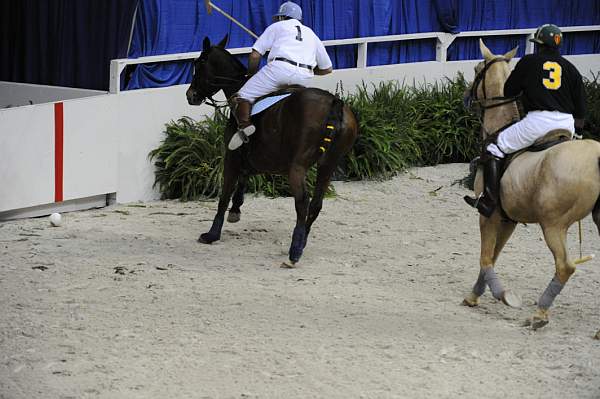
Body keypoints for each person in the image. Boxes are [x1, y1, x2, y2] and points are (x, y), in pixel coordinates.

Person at [465, 23, 586, 217]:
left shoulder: (529, 62)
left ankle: (488, 201)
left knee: (493, 146)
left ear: (538, 44)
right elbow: (581, 110)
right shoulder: (571, 69)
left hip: (538, 123)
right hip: (566, 124)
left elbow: (509, 91)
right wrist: (577, 135)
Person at [227, 1, 333, 150]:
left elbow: (255, 56)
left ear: (283, 17)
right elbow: (327, 69)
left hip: (279, 71)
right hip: (304, 78)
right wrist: (307, 70)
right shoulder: (311, 33)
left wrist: (251, 74)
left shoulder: (277, 26)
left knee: (241, 96)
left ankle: (245, 126)